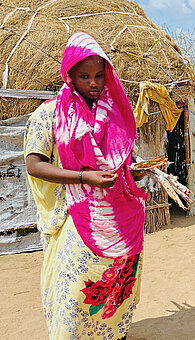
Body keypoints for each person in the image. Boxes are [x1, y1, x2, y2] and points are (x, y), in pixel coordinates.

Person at [24, 32, 148, 339]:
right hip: (74, 217)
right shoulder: (50, 114)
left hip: (118, 217)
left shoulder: (116, 113)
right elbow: (34, 164)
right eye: (84, 76)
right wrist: (84, 177)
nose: (93, 83)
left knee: (115, 288)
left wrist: (134, 173)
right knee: (75, 292)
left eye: (98, 76)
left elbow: (120, 160)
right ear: (69, 74)